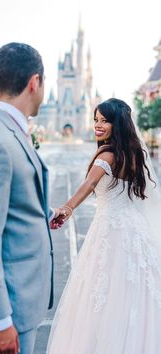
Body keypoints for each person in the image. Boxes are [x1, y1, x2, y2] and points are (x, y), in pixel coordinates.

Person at [0, 42, 64, 354]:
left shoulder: (9, 130)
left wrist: (42, 213)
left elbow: (9, 204)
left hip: (19, 304)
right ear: (35, 82)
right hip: (5, 311)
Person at [47, 98, 161, 353]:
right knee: (133, 294)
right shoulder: (134, 155)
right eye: (96, 119)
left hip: (110, 231)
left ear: (117, 123)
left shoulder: (106, 155)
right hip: (135, 231)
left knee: (102, 297)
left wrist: (66, 209)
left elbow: (88, 186)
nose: (98, 125)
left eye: (104, 120)